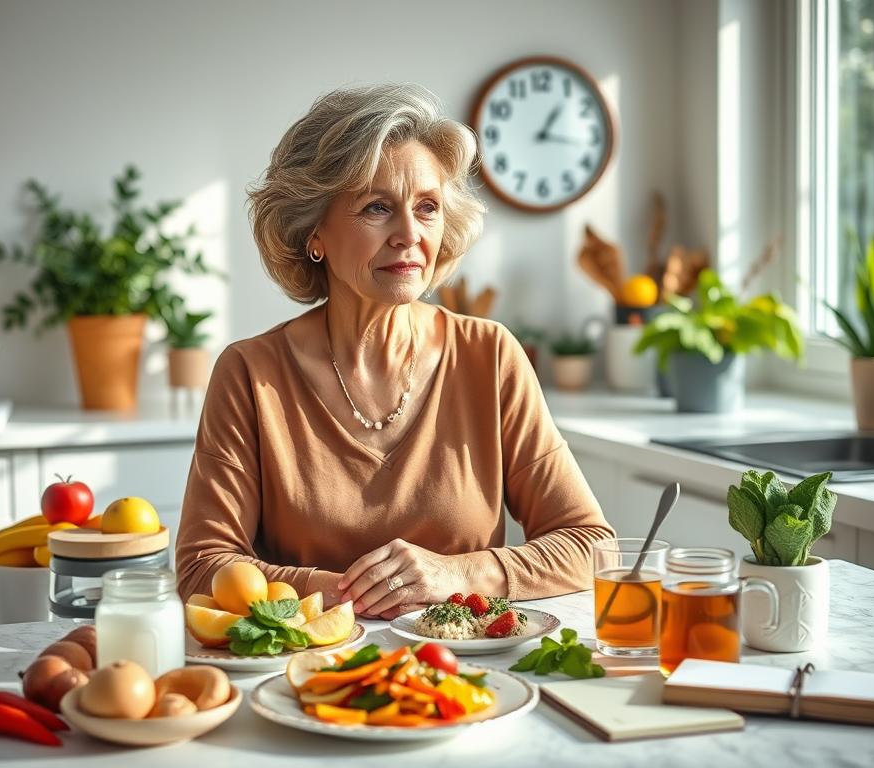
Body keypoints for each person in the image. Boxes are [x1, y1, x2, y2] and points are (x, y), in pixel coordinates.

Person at [175, 83, 615, 619]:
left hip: (466, 680)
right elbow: (201, 568)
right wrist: (346, 593)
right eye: (378, 207)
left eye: (427, 207)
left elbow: (592, 547)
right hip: (308, 674)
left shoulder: (490, 356)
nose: (409, 234)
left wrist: (454, 574)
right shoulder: (249, 373)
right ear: (315, 232)